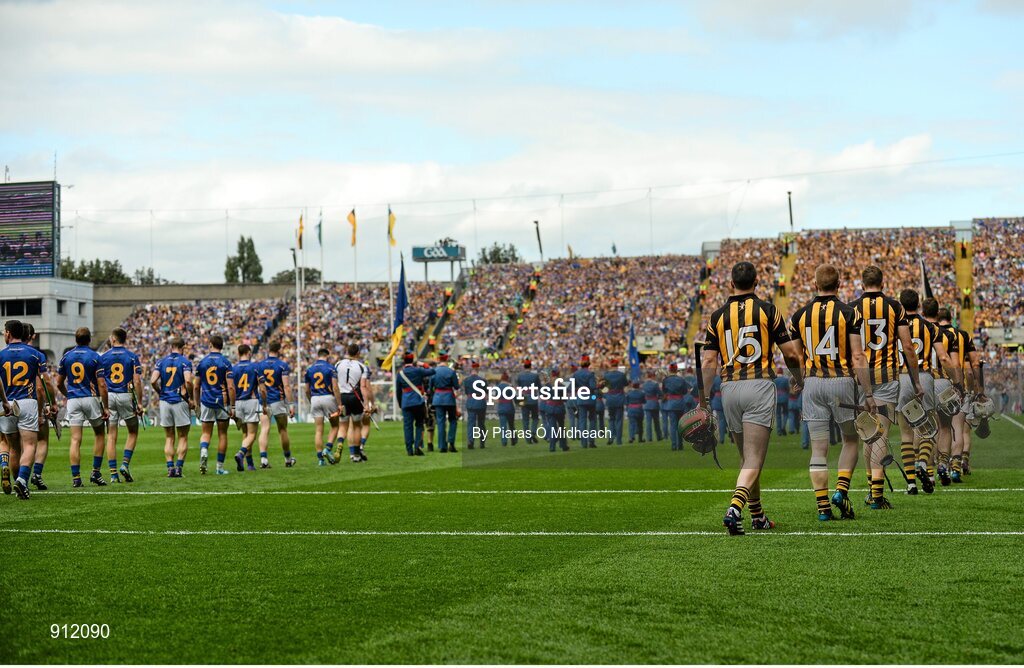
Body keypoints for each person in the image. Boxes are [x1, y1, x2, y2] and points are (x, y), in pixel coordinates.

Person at [701, 262, 805, 535]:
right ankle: (735, 508)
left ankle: (757, 515)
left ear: (730, 283)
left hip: (730, 388)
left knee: (747, 458)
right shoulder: (768, 310)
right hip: (758, 385)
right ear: (757, 282)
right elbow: (791, 354)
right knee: (754, 458)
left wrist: (702, 397)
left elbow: (709, 359)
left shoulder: (717, 316)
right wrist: (799, 378)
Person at [790, 264, 876, 521]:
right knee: (850, 439)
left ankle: (822, 506)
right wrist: (869, 393)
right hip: (841, 381)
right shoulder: (849, 313)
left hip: (813, 382)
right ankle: (841, 490)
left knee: (818, 448)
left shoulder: (799, 316)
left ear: (815, 285)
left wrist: (797, 379)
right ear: (838, 284)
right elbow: (858, 355)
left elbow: (794, 355)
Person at [849, 265, 922, 507]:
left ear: (862, 284)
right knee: (880, 433)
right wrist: (916, 381)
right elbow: (908, 346)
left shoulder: (852, 308)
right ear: (883, 283)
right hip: (888, 376)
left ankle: (872, 489)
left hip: (861, 377)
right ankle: (877, 496)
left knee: (868, 435)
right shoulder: (894, 306)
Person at [896, 289, 956, 495]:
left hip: (902, 377)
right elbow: (943, 356)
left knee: (906, 432)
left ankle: (911, 483)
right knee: (929, 428)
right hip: (925, 376)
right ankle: (923, 462)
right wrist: (956, 380)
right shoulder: (930, 327)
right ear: (919, 304)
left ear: (901, 304)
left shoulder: (896, 325)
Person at [0, 320, 53, 499]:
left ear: (8, 333)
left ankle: (18, 483)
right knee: (30, 444)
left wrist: (4, 401)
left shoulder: (1, 355)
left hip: (6, 403)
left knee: (13, 448)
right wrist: (49, 405)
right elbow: (43, 384)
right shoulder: (36, 355)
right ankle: (22, 481)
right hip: (27, 402)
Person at [58, 327, 112, 486]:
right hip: (91, 398)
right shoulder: (95, 356)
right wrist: (106, 407)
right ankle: (95, 473)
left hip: (74, 399)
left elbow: (59, 383)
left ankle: (76, 478)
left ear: (76, 339)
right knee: (100, 434)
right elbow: (102, 384)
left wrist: (68, 395)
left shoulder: (66, 356)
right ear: (89, 339)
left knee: (75, 439)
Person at [923, 299, 964, 486]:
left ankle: (928, 471)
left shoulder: (916, 329)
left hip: (924, 381)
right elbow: (953, 363)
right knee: (945, 426)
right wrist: (958, 384)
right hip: (942, 381)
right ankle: (943, 465)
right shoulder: (947, 334)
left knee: (927, 428)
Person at [937, 307, 979, 482]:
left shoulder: (931, 333)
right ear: (951, 317)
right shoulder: (963, 335)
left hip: (936, 384)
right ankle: (956, 467)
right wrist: (974, 390)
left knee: (940, 429)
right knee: (958, 429)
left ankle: (940, 466)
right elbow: (973, 365)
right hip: (958, 385)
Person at [100, 327, 144, 483]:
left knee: (111, 435)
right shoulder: (132, 357)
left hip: (110, 396)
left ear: (113, 338)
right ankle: (125, 464)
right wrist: (139, 402)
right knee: (133, 431)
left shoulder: (103, 357)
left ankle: (113, 475)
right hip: (125, 395)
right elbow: (137, 381)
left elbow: (99, 381)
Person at [151, 336, 193, 478]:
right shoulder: (185, 362)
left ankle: (170, 469)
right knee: (183, 437)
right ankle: (179, 468)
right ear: (182, 348)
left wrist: (160, 392)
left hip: (165, 401)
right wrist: (191, 398)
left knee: (169, 437)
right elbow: (188, 381)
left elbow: (152, 381)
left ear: (171, 347)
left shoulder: (161, 362)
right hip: (180, 401)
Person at [195, 334, 236, 475]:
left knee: (206, 433)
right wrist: (233, 406)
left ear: (211, 344)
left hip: (206, 400)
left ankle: (204, 449)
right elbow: (230, 387)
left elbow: (196, 386)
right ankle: (219, 468)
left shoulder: (202, 362)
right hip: (222, 402)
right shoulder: (225, 363)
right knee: (222, 434)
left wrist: (197, 404)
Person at [22, 323, 53, 490]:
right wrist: (46, 407)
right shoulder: (36, 355)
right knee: (41, 440)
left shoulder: (5, 354)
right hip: (31, 403)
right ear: (32, 336)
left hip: (11, 404)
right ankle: (36, 474)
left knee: (15, 445)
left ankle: (17, 477)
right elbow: (42, 386)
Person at [257, 341, 294, 468]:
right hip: (278, 400)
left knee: (264, 429)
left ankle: (263, 460)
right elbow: (287, 386)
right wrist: (291, 405)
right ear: (279, 350)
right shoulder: (282, 365)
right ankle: (288, 459)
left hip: (264, 401)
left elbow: (259, 385)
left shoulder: (260, 365)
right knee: (282, 429)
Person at [335, 343, 373, 462]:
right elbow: (363, 387)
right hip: (355, 397)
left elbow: (334, 384)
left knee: (342, 425)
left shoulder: (338, 364)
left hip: (342, 397)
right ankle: (356, 455)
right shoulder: (362, 367)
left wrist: (337, 401)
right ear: (358, 353)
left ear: (347, 351)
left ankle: (340, 443)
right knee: (357, 426)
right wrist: (366, 404)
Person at [396, 352, 435, 456]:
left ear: (404, 361)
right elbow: (432, 371)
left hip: (406, 402)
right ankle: (417, 446)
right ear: (413, 360)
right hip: (418, 401)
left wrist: (401, 404)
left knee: (407, 427)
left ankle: (409, 449)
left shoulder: (400, 374)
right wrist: (423, 364)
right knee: (419, 424)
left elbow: (398, 392)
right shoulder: (418, 370)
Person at [305, 348, 339, 466]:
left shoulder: (309, 369)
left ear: (317, 356)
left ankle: (320, 459)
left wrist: (311, 401)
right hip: (328, 398)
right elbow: (335, 387)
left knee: (319, 430)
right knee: (335, 426)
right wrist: (339, 403)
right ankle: (327, 449)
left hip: (315, 398)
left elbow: (306, 390)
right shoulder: (331, 368)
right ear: (327, 356)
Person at [231, 343, 262, 471]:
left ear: (238, 354)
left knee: (245, 433)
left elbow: (231, 388)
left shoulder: (233, 368)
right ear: (249, 353)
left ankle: (249, 464)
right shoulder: (255, 367)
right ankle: (241, 453)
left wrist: (232, 406)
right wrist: (264, 404)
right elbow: (263, 389)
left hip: (238, 402)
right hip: (251, 401)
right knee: (252, 434)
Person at [431, 352, 460, 452]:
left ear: (439, 360)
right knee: (452, 420)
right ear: (447, 361)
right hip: (449, 398)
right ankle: (451, 442)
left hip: (438, 398)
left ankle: (442, 446)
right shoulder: (451, 371)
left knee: (440, 422)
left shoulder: (434, 371)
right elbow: (456, 386)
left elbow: (430, 387)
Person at [570, 355, 598, 448]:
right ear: (588, 363)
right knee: (592, 420)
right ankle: (591, 441)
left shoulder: (576, 374)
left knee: (582, 421)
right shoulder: (590, 374)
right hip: (590, 398)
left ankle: (583, 443)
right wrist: (600, 385)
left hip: (580, 398)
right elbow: (593, 386)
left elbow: (571, 387)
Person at [662, 363, 689, 451]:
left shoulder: (666, 380)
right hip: (680, 403)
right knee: (680, 425)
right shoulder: (681, 379)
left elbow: (664, 391)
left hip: (671, 404)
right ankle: (680, 444)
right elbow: (685, 391)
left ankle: (674, 445)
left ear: (669, 370)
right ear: (677, 370)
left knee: (673, 425)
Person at [462, 360, 486, 449]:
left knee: (471, 423)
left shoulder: (466, 380)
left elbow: (466, 392)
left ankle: (470, 441)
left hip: (471, 402)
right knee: (481, 423)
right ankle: (482, 442)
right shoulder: (483, 380)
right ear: (478, 369)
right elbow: (485, 392)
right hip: (480, 402)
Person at [602, 360, 627, 445]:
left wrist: (606, 396)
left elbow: (603, 388)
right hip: (619, 398)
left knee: (611, 419)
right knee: (619, 420)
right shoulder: (621, 375)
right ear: (617, 365)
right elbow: (625, 384)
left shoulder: (606, 375)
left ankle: (611, 437)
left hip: (610, 398)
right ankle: (618, 440)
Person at [515, 358, 540, 443]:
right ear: (530, 366)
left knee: (525, 419)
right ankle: (533, 432)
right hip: (532, 397)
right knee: (535, 418)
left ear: (524, 366)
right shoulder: (535, 376)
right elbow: (539, 387)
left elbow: (518, 387)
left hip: (523, 398)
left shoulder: (520, 376)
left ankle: (528, 438)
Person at [495, 372, 517, 445]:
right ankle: (513, 440)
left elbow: (496, 399)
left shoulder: (497, 387)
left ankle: (504, 441)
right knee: (511, 425)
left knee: (503, 426)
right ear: (507, 379)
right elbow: (514, 397)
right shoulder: (509, 387)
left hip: (501, 407)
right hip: (509, 407)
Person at [642, 370, 663, 443]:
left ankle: (649, 437)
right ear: (652, 376)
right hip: (654, 403)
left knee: (648, 422)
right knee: (656, 422)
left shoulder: (644, 384)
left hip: (647, 404)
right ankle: (659, 436)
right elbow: (660, 394)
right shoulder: (655, 384)